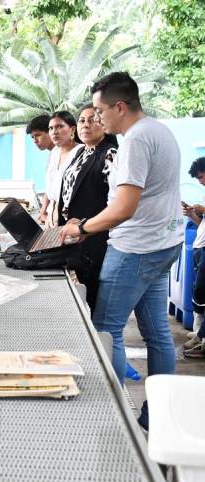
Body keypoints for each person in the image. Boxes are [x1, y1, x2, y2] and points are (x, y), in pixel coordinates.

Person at [59, 72, 184, 430]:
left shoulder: (134, 140)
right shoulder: (159, 130)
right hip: (163, 244)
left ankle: (115, 420)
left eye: (99, 112)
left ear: (120, 106)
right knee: (158, 333)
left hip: (135, 248)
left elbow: (124, 207)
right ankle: (158, 416)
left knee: (106, 329)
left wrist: (81, 228)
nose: (96, 119)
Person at [56, 104, 118, 310]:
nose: (86, 124)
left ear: (105, 124)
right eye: (82, 120)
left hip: (94, 237)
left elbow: (116, 200)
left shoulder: (109, 154)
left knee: (92, 297)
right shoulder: (82, 151)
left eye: (93, 119)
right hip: (74, 234)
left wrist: (87, 226)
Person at [40, 112, 82, 227]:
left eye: (59, 126)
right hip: (51, 216)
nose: (54, 131)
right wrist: (44, 212)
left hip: (71, 219)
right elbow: (50, 189)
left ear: (73, 129)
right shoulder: (54, 153)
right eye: (51, 128)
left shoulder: (82, 152)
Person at [183, 157, 205, 357]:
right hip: (199, 247)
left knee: (201, 290)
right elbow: (202, 225)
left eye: (201, 177)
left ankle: (201, 337)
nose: (200, 181)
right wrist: (192, 214)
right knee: (198, 292)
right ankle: (199, 332)